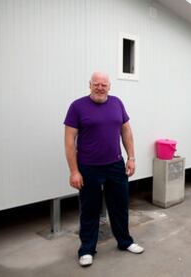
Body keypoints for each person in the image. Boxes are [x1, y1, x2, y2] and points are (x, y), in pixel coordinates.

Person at [64, 72, 144, 267]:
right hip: (88, 167)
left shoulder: (117, 103)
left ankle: (125, 241)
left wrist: (131, 158)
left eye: (104, 85)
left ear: (109, 87)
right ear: (89, 84)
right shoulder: (77, 107)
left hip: (115, 165)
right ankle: (87, 249)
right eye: (96, 84)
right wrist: (74, 171)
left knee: (120, 205)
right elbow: (69, 141)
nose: (100, 87)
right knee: (89, 209)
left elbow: (126, 132)